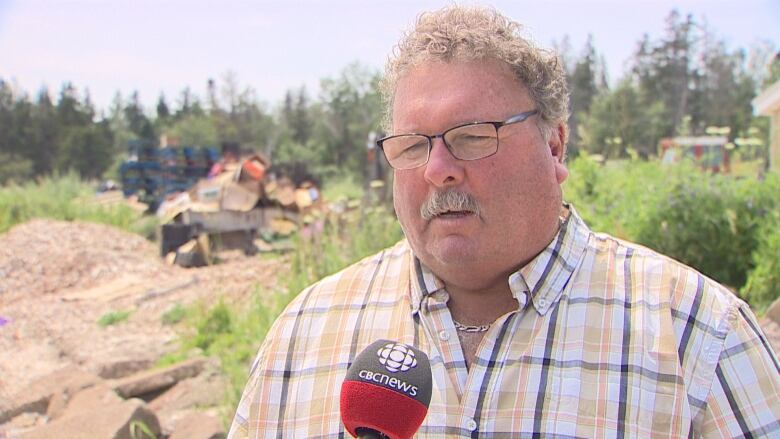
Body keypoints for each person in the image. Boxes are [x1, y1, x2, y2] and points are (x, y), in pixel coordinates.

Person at [228, 5, 780, 438]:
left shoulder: (698, 340)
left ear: (555, 144)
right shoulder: (303, 334)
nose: (439, 170)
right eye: (413, 146)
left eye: (472, 136)